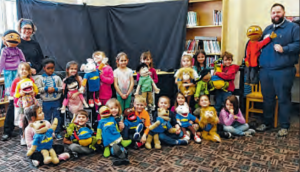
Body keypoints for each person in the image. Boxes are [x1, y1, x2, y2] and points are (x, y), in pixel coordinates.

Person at [255, 3, 300, 137]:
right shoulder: (267, 29)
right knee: (267, 98)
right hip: (265, 71)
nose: (276, 15)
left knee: (283, 99)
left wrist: (285, 49)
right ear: (271, 15)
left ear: (284, 13)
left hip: (283, 71)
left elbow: (298, 44)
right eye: (273, 12)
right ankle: (267, 123)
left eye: (278, 12)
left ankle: (284, 125)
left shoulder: (293, 28)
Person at [1, 62, 34, 143]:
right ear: (19, 71)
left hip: (29, 103)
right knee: (20, 119)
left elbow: (35, 89)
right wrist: (19, 94)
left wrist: (33, 93)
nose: (24, 71)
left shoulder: (31, 80)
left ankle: (30, 135)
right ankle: (14, 134)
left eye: (26, 69)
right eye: (22, 69)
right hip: (18, 103)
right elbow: (12, 92)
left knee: (30, 119)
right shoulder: (16, 80)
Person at [36, 58, 63, 140]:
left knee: (57, 117)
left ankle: (57, 132)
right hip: (46, 101)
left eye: (52, 68)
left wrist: (54, 89)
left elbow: (62, 88)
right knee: (46, 117)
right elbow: (38, 89)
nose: (50, 70)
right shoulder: (40, 78)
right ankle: (46, 132)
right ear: (44, 68)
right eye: (48, 68)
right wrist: (46, 89)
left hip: (56, 101)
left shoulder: (57, 78)